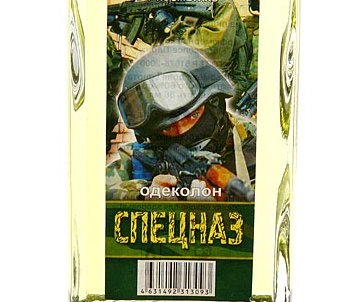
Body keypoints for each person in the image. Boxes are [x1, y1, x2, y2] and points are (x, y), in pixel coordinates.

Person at [106, 45, 256, 201]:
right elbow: (98, 195)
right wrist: (142, 195)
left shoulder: (255, 145)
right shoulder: (143, 155)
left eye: (192, 116)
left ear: (214, 105)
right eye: (168, 128)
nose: (181, 132)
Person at [147, 0, 253, 95]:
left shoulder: (220, 3)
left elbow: (210, 51)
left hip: (221, 92)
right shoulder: (179, 3)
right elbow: (167, 43)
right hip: (188, 87)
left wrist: (172, 27)